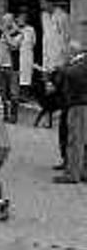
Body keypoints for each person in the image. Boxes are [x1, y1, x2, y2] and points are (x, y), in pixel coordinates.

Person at [53, 41, 87, 184]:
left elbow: (74, 74)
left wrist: (61, 68)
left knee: (75, 140)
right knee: (80, 140)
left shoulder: (82, 62)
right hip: (77, 104)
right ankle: (81, 171)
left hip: (79, 104)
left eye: (65, 52)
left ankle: (72, 174)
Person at [0, 13, 22, 123]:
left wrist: (6, 33)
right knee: (3, 93)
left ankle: (14, 116)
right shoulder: (1, 33)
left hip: (12, 68)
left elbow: (14, 46)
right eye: (3, 21)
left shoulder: (18, 33)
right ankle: (5, 115)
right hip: (1, 67)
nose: (3, 23)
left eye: (6, 21)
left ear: (11, 21)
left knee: (13, 93)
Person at [17, 10, 37, 115]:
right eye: (20, 18)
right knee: (18, 76)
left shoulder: (31, 29)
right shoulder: (15, 29)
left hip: (27, 55)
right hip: (17, 55)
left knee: (27, 76)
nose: (21, 20)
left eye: (23, 18)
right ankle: (18, 96)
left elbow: (34, 42)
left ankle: (26, 96)